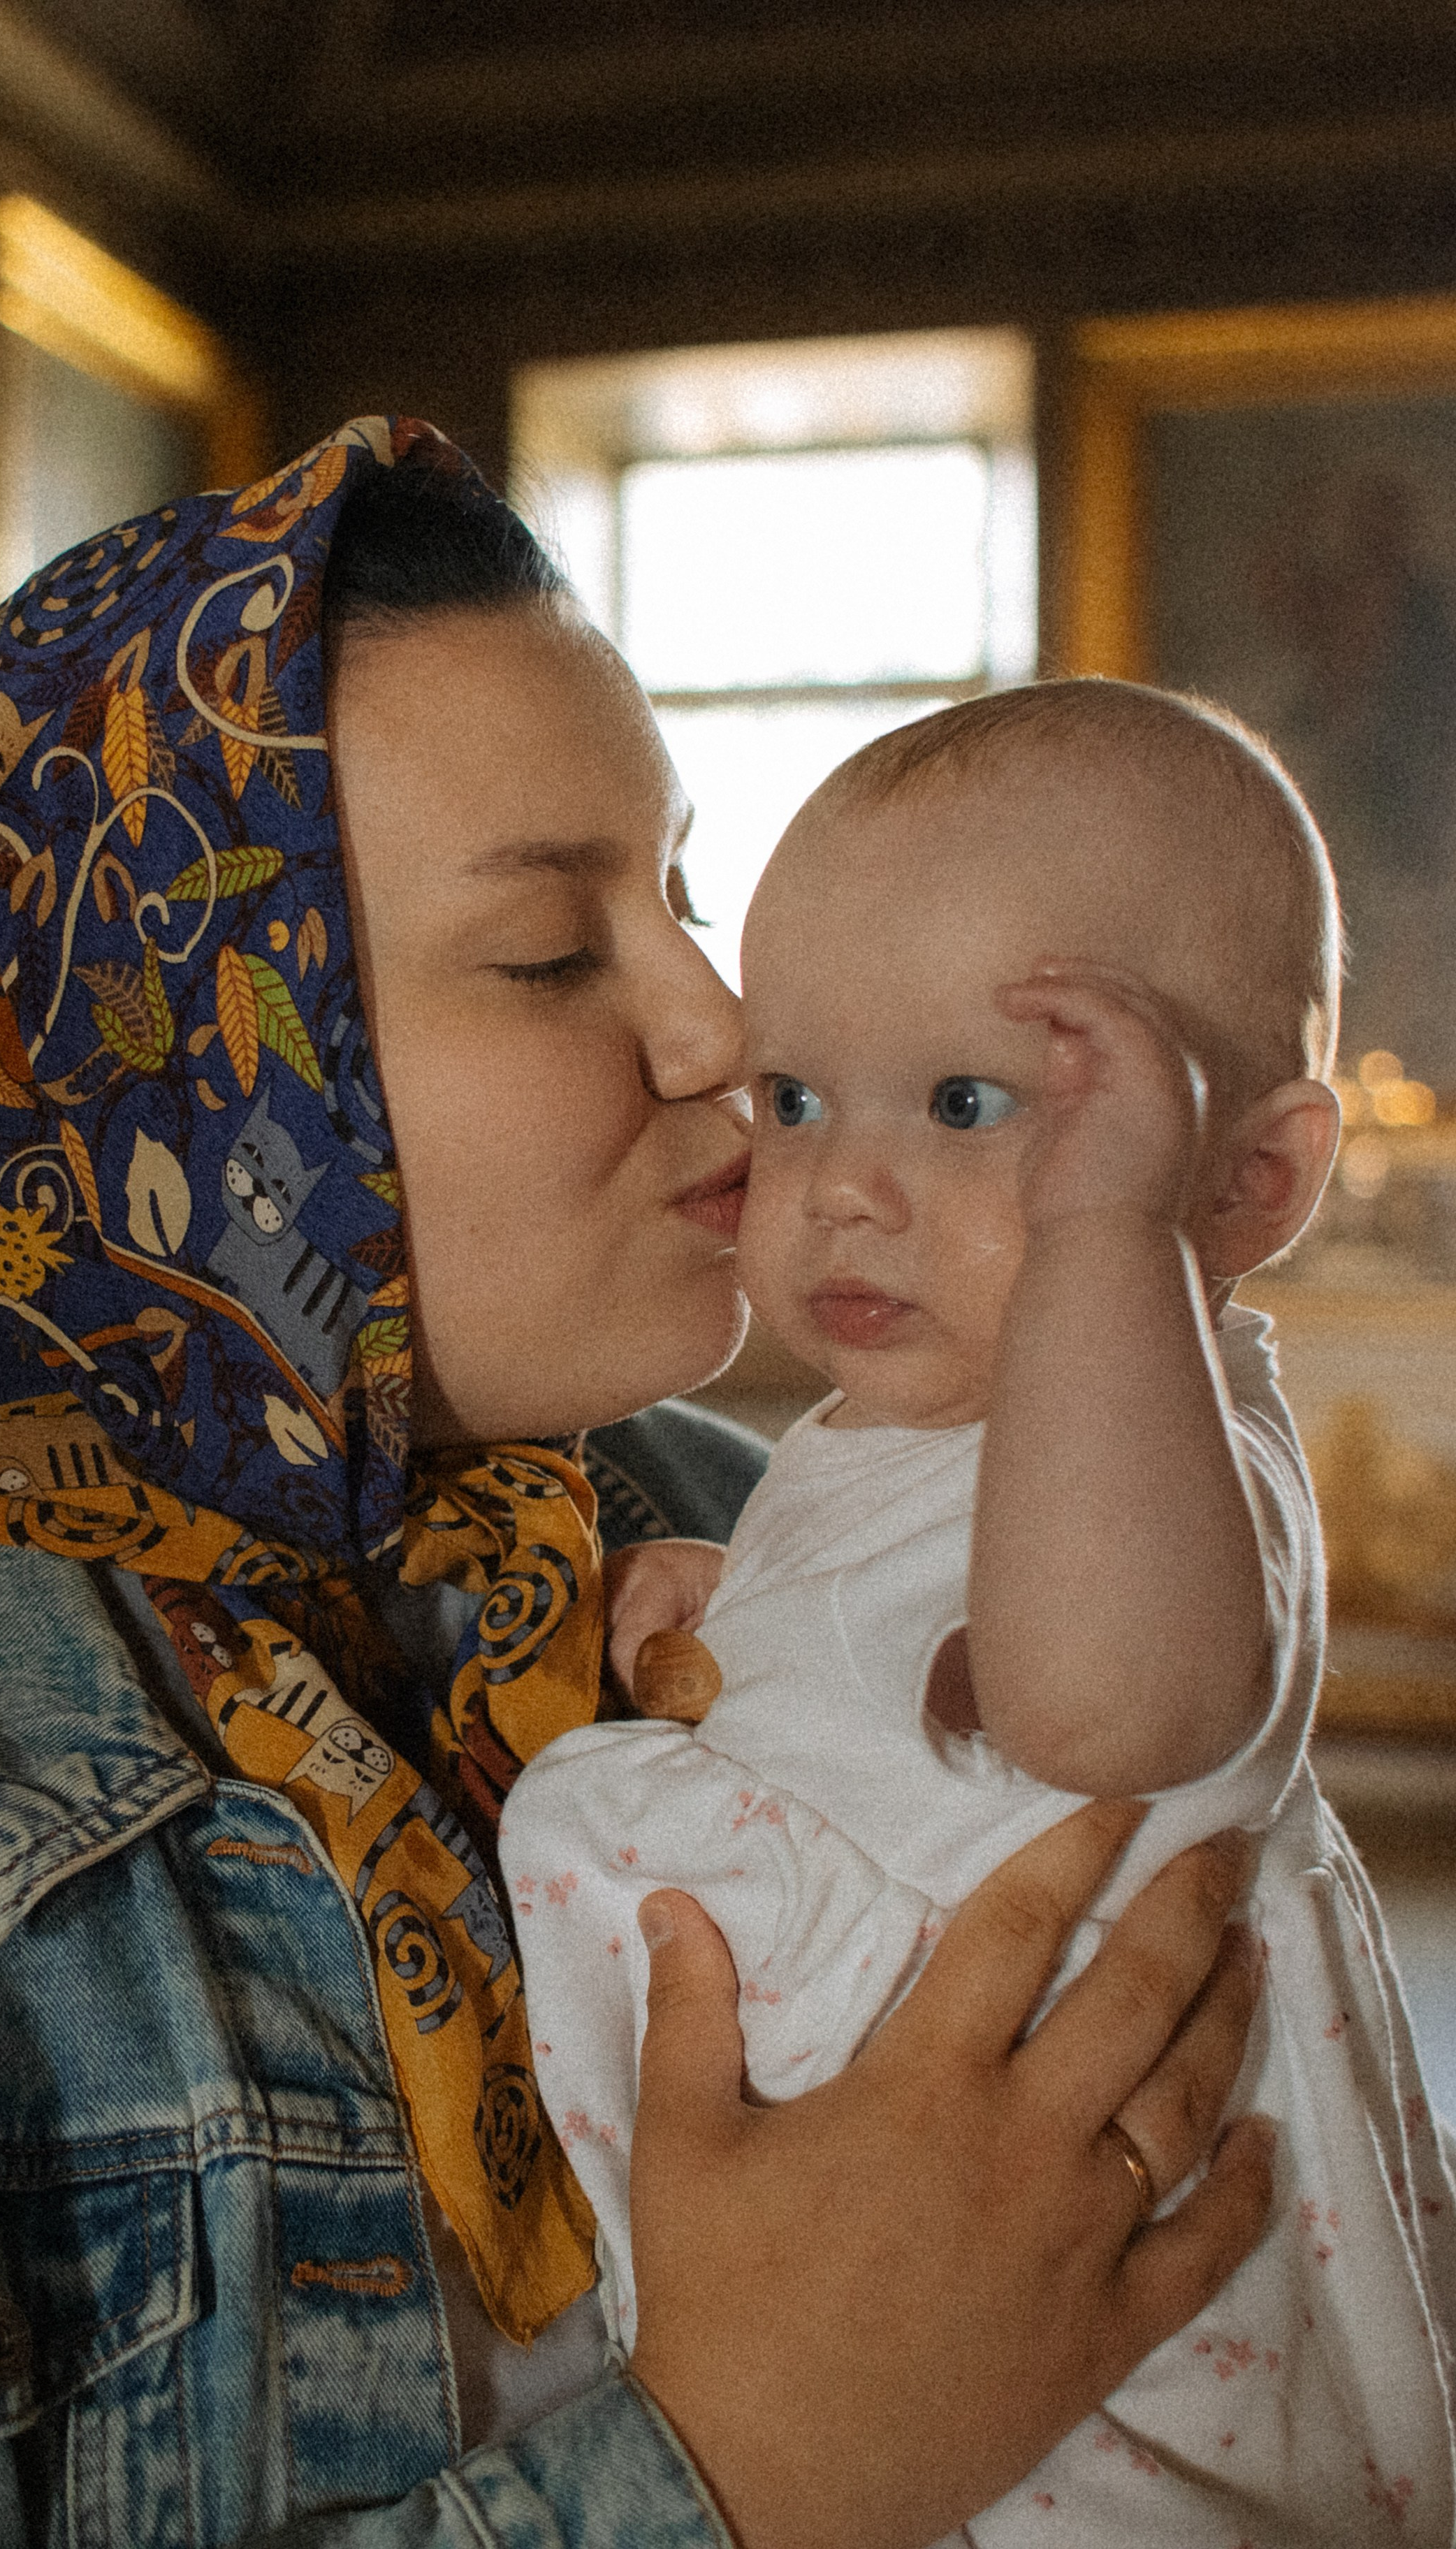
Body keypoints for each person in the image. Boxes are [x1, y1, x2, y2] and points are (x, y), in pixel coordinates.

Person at [0, 424, 1276, 2549]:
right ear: (176, 1054)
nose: (720, 1024)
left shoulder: (754, 1519)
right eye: (558, 955)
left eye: (676, 896)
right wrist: (729, 2474)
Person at [504, 683, 1456, 2544]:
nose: (844, 1186)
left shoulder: (1170, 1428)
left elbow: (1097, 1707)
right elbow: (913, 1652)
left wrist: (1109, 1237)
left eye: (970, 1103)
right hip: (901, 2305)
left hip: (1118, 2335)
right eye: (797, 1098)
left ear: (1245, 1180)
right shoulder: (910, 1428)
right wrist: (750, 1608)